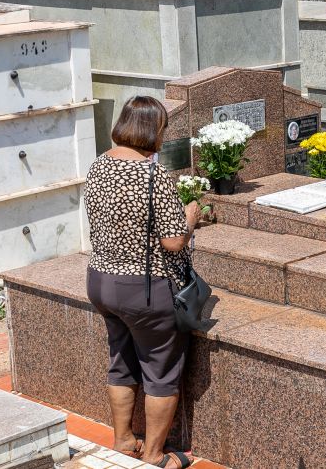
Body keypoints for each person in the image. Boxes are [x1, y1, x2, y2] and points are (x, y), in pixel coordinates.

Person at [85, 96, 200, 469]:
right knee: (161, 371)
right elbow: (172, 241)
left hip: (101, 281)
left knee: (120, 361)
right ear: (154, 130)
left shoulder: (98, 165)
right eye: (164, 128)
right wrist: (190, 217)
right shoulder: (154, 177)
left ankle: (121, 441)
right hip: (145, 289)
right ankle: (154, 455)